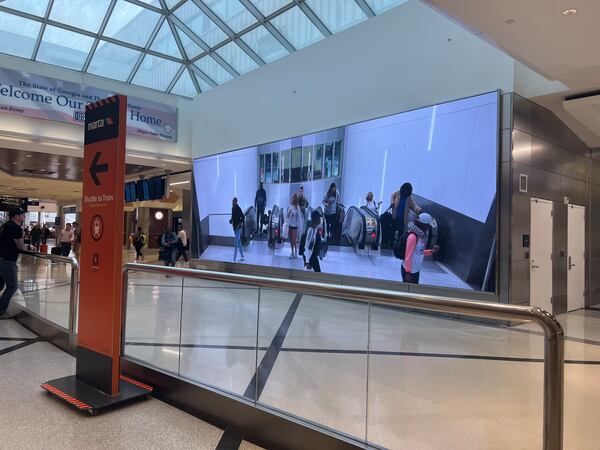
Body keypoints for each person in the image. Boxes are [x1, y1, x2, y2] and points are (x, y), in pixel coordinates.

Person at [0, 207, 36, 316]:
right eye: (22, 215)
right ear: (16, 216)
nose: (24, 217)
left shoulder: (5, 225)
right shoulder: (15, 227)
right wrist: (29, 248)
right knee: (12, 287)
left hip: (1, 258)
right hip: (7, 260)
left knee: (0, 285)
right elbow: (20, 246)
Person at [401, 213, 440, 284]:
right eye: (428, 226)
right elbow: (408, 256)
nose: (428, 228)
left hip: (415, 270)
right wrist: (408, 272)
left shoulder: (420, 236)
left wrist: (431, 251)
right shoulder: (413, 237)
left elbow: (420, 251)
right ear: (423, 225)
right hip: (410, 272)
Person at [229, 197, 245, 262]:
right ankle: (242, 255)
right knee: (239, 242)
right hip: (235, 228)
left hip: (238, 228)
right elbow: (233, 217)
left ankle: (234, 260)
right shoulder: (233, 208)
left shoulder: (238, 209)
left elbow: (243, 217)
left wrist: (239, 224)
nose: (232, 202)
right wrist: (231, 220)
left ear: (236, 202)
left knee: (236, 243)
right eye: (232, 201)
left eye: (233, 201)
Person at [287, 193, 301, 259]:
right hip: (290, 225)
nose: (292, 198)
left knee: (294, 240)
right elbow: (287, 215)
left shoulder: (297, 207)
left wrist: (299, 228)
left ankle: (295, 252)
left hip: (295, 226)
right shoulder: (289, 206)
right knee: (291, 240)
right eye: (291, 197)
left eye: (293, 197)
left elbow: (299, 218)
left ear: (295, 199)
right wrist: (289, 212)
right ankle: (292, 252)